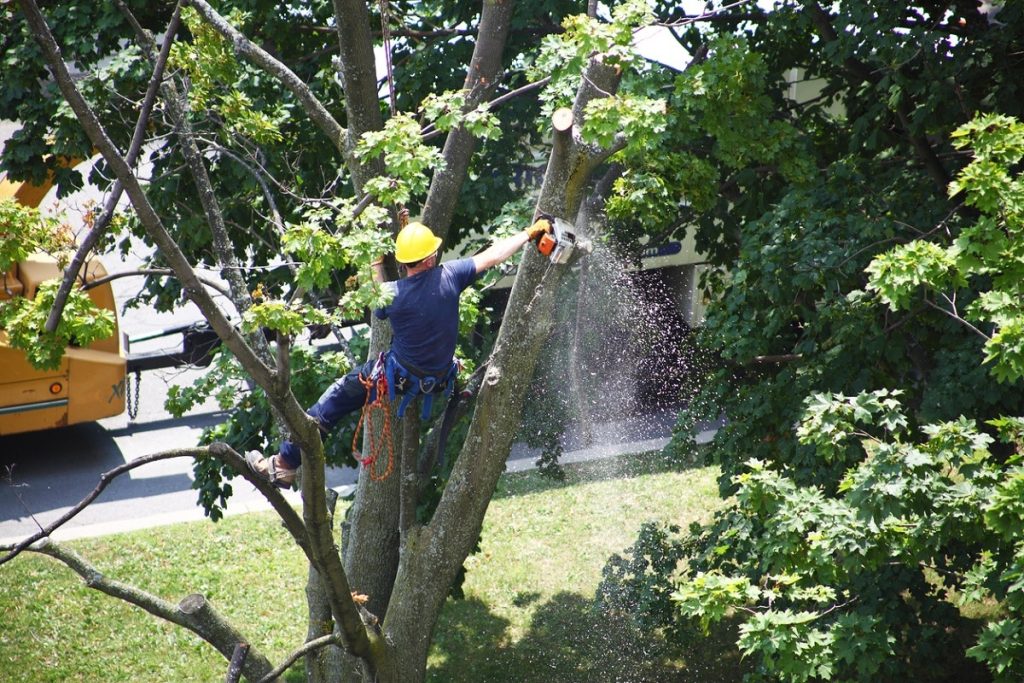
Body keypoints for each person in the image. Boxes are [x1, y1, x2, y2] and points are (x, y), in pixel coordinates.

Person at [246, 217, 553, 488]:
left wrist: (374, 259)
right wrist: (528, 233)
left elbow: (378, 292)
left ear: (403, 261)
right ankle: (286, 464)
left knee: (335, 399)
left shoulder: (393, 294)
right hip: (439, 380)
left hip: (399, 378)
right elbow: (491, 256)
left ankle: (284, 465)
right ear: (431, 256)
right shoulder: (452, 276)